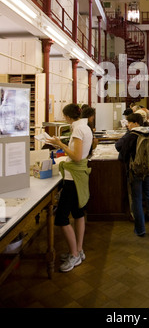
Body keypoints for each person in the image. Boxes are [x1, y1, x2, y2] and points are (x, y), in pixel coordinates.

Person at [47, 103, 93, 272]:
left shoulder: (79, 130)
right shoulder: (84, 127)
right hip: (77, 176)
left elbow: (76, 156)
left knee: (61, 218)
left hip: (72, 178)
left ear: (67, 117)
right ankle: (78, 251)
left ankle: (74, 254)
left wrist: (60, 144)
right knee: (78, 213)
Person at [115, 113, 149, 237]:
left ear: (136, 123)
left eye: (129, 123)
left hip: (135, 171)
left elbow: (121, 153)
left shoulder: (132, 136)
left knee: (136, 199)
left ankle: (140, 230)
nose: (128, 125)